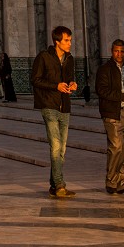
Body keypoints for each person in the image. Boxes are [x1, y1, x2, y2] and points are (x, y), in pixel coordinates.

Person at [30, 24, 78, 198]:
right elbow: (35, 80)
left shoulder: (69, 59)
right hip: (49, 105)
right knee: (55, 145)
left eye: (70, 40)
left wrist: (72, 84)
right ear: (57, 41)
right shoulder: (43, 57)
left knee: (62, 148)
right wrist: (55, 86)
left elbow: (70, 78)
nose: (69, 43)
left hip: (65, 106)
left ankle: (53, 185)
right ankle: (60, 185)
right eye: (66, 40)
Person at [95, 39, 124, 195]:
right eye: (116, 51)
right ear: (111, 51)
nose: (119, 54)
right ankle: (111, 181)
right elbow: (102, 90)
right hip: (113, 113)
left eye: (122, 51)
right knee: (116, 148)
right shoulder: (105, 69)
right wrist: (123, 97)